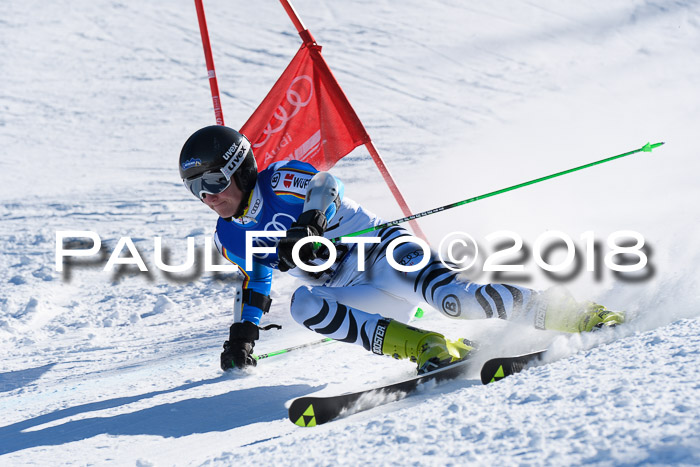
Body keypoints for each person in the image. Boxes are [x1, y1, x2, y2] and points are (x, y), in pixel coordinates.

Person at [179, 125, 624, 374]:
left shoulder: (278, 180)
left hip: (383, 255)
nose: (209, 196)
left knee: (458, 302)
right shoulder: (229, 236)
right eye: (196, 189)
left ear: (240, 169)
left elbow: (325, 183)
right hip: (352, 288)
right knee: (303, 304)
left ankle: (574, 312)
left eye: (214, 181)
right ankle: (426, 347)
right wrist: (244, 333)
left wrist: (312, 219)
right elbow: (257, 278)